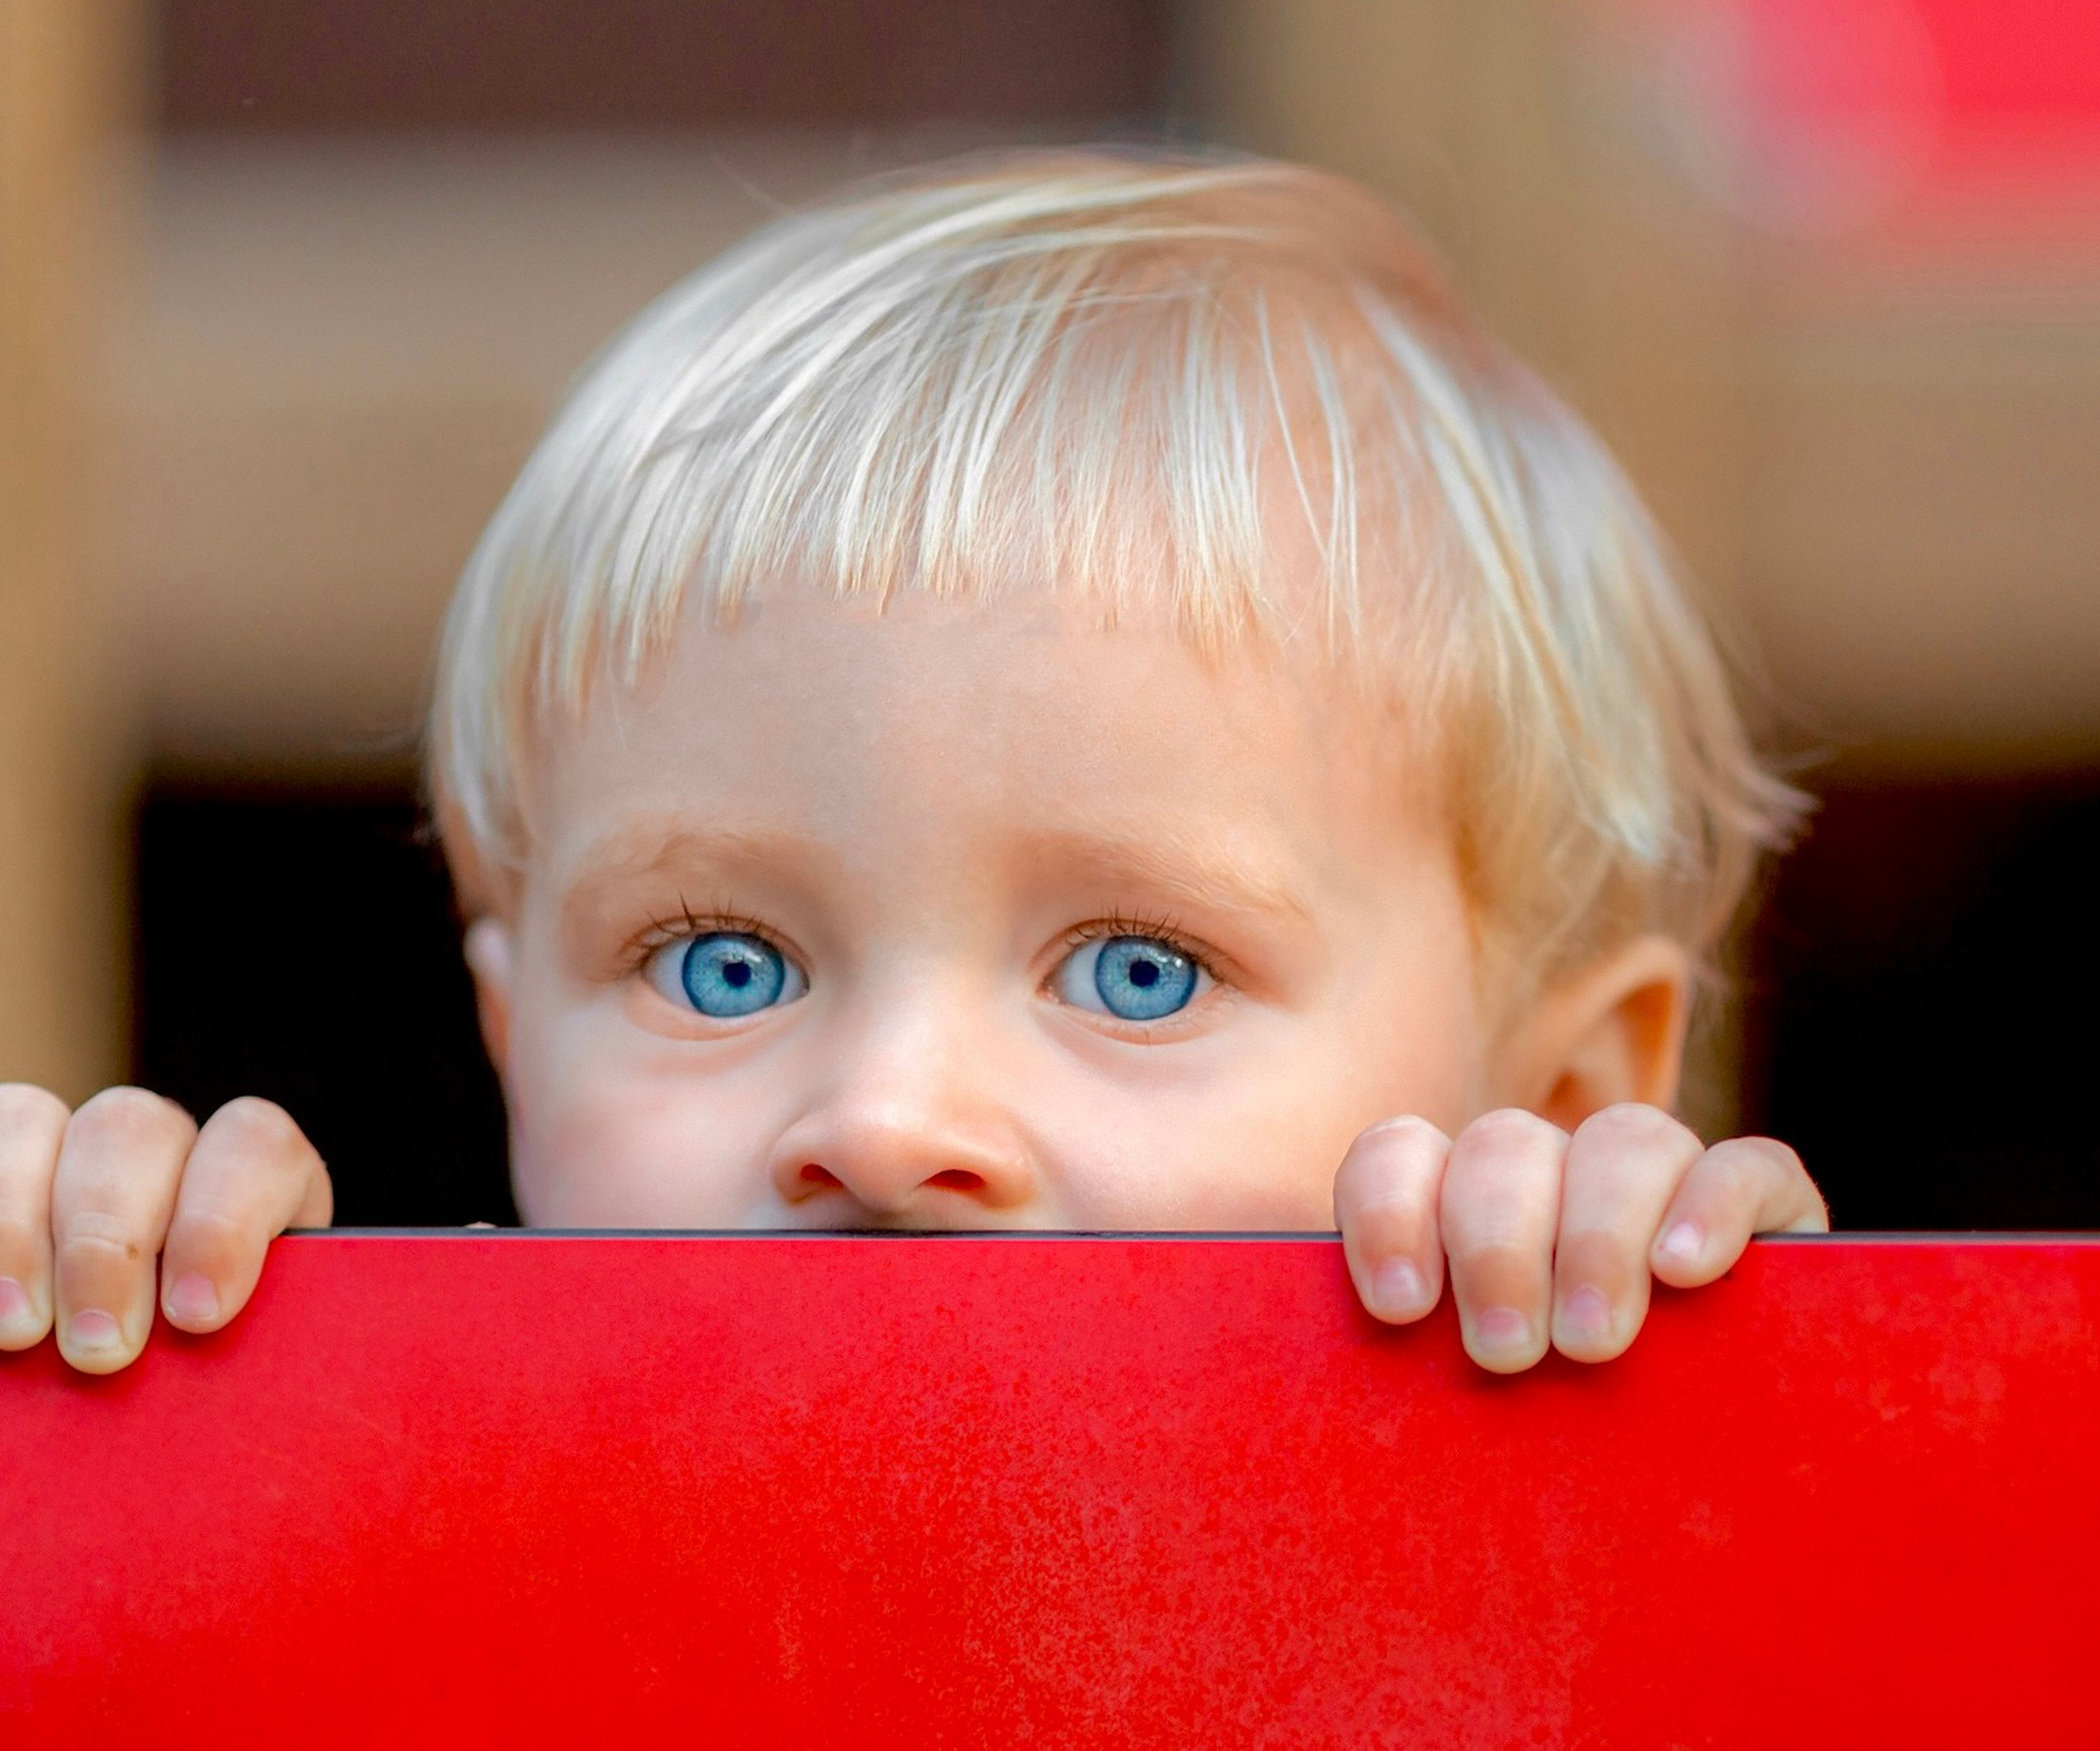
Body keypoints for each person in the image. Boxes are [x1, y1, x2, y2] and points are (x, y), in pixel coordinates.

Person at [0, 150, 1826, 1379]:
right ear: (510, 1044)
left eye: (1138, 967)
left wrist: (1726, 1404)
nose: (882, 1118)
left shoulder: (1591, 1569)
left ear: (1571, 1096)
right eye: (723, 963)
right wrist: (105, 1370)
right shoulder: (376, 1543)